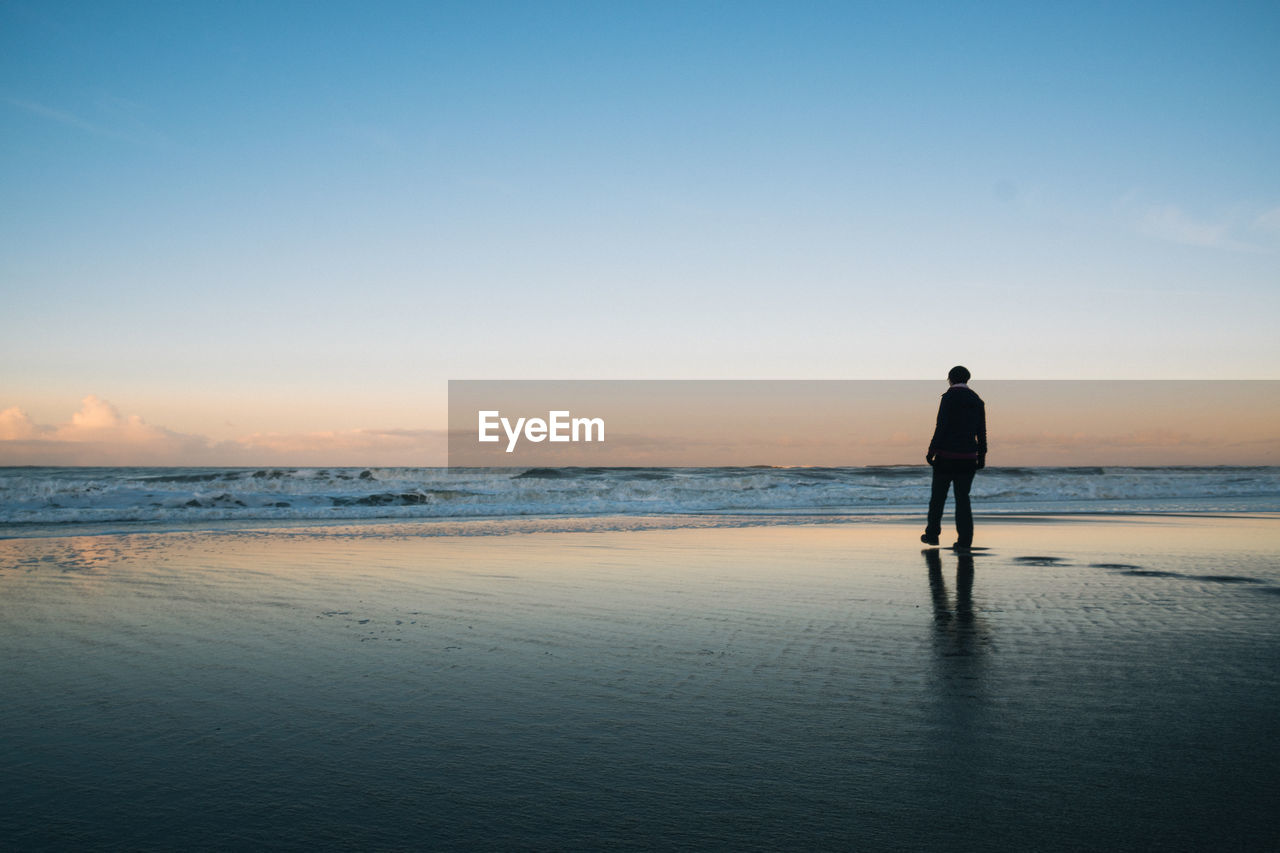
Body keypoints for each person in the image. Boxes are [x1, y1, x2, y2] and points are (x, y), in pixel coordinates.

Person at [921, 366, 987, 549]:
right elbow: (981, 431)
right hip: (968, 457)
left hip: (946, 456)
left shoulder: (948, 398)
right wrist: (982, 456)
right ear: (967, 379)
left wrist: (932, 450)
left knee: (938, 498)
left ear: (950, 379)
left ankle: (932, 535)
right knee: (963, 499)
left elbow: (941, 425)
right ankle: (965, 540)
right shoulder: (977, 400)